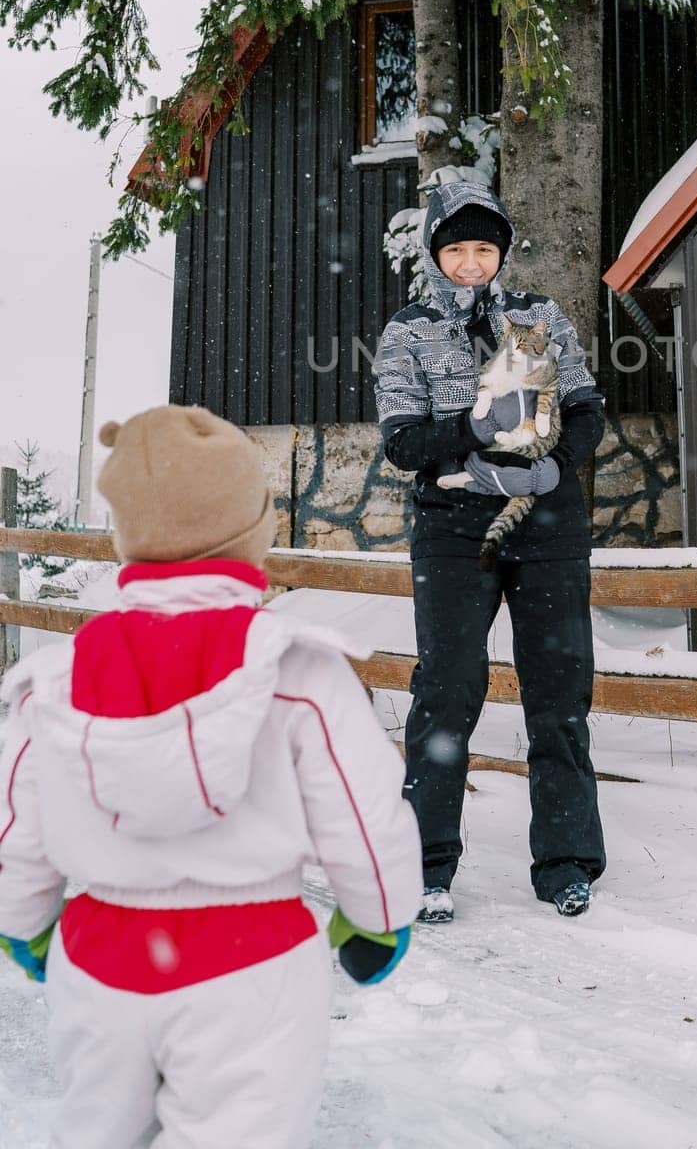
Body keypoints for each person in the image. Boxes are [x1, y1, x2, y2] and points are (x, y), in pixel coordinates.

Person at [0, 405, 422, 1149]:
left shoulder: (57, 678)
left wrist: (20, 921)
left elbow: (17, 821)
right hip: (251, 962)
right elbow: (362, 813)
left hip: (99, 960)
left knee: (95, 1132)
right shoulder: (295, 670)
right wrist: (379, 915)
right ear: (251, 530)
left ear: (128, 533)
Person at [373, 181, 606, 922]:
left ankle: (566, 862)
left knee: (558, 696)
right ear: (435, 255)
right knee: (446, 691)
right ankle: (426, 866)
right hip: (452, 531)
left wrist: (553, 465)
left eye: (483, 249)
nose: (470, 263)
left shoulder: (538, 317)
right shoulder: (407, 331)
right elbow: (403, 443)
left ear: (499, 252)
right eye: (455, 249)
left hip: (546, 524)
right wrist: (474, 432)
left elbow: (585, 408)